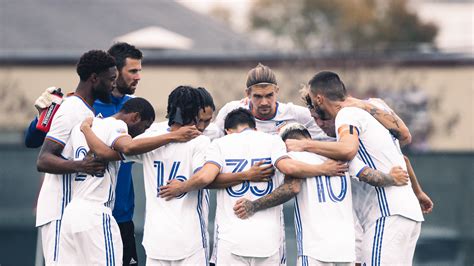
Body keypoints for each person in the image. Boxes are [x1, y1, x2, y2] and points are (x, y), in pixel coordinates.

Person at [158, 108, 349, 265]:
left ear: (228, 131)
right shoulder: (272, 141)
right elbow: (289, 168)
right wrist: (323, 168)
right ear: (255, 128)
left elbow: (206, 178)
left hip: (230, 240)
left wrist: (181, 187)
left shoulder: (220, 144)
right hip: (269, 241)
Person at [232, 123, 410, 265]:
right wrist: (392, 178)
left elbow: (292, 188)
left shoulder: (293, 158)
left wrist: (254, 205)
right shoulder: (342, 157)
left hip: (314, 250)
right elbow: (371, 177)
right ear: (308, 137)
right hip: (346, 250)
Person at [297, 71, 424, 265]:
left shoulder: (346, 115)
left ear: (319, 99)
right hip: (409, 213)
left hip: (387, 212)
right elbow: (405, 139)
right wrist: (418, 193)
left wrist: (304, 145)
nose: (320, 122)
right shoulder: (376, 107)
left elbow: (347, 150)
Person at [35, 50, 117, 264]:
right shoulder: (71, 109)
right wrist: (81, 165)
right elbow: (43, 159)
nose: (113, 85)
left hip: (74, 213)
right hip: (58, 210)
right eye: (111, 79)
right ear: (94, 78)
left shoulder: (86, 111)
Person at [58, 97, 155, 265]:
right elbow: (127, 148)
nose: (143, 133)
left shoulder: (81, 128)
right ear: (135, 117)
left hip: (71, 214)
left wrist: (86, 129)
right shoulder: (116, 126)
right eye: (145, 127)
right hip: (96, 212)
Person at [214, 63, 331, 141]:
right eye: (258, 96)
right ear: (247, 94)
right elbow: (212, 140)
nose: (264, 102)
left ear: (277, 91)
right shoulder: (231, 111)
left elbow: (328, 140)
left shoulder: (296, 114)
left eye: (269, 95)